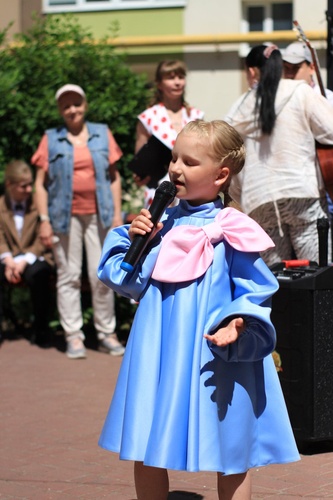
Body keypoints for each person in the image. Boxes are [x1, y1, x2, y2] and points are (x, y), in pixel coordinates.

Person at [97, 119, 300, 500]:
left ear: (221, 174)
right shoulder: (160, 221)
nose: (175, 168)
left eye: (189, 162)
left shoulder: (233, 228)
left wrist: (239, 322)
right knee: (147, 442)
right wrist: (137, 243)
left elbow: (255, 288)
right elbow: (128, 281)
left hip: (214, 351)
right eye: (174, 158)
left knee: (233, 449)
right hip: (159, 344)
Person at [31, 84, 125, 359]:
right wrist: (44, 220)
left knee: (103, 275)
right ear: (60, 110)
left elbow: (114, 177)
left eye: (76, 103)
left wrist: (118, 214)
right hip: (63, 218)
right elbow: (40, 185)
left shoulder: (102, 133)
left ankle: (107, 333)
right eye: (66, 105)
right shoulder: (51, 138)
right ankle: (73, 335)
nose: (72, 109)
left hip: (101, 215)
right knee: (69, 276)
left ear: (84, 105)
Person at [225, 44, 333, 267]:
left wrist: (239, 195)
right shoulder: (300, 91)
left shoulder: (239, 107)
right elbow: (330, 131)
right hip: (301, 193)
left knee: (275, 281)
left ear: (253, 71)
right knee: (318, 274)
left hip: (258, 200)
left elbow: (228, 154)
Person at [134, 60, 204, 207]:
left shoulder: (196, 116)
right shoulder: (148, 117)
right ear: (159, 84)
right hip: (159, 191)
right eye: (171, 78)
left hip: (191, 191)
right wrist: (140, 175)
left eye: (180, 77)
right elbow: (141, 161)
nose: (177, 82)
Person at [0, 160, 54, 346]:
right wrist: (8, 260)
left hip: (35, 256)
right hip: (8, 258)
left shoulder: (38, 205)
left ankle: (41, 330)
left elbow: (43, 237)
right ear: (9, 185)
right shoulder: (1, 206)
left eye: (30, 184)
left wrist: (24, 261)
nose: (29, 189)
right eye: (24, 186)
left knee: (40, 274)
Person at [282, 41, 333, 221]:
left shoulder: (327, 97)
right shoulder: (278, 98)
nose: (289, 73)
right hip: (290, 183)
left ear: (311, 68)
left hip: (323, 179)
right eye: (285, 67)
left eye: (295, 67)